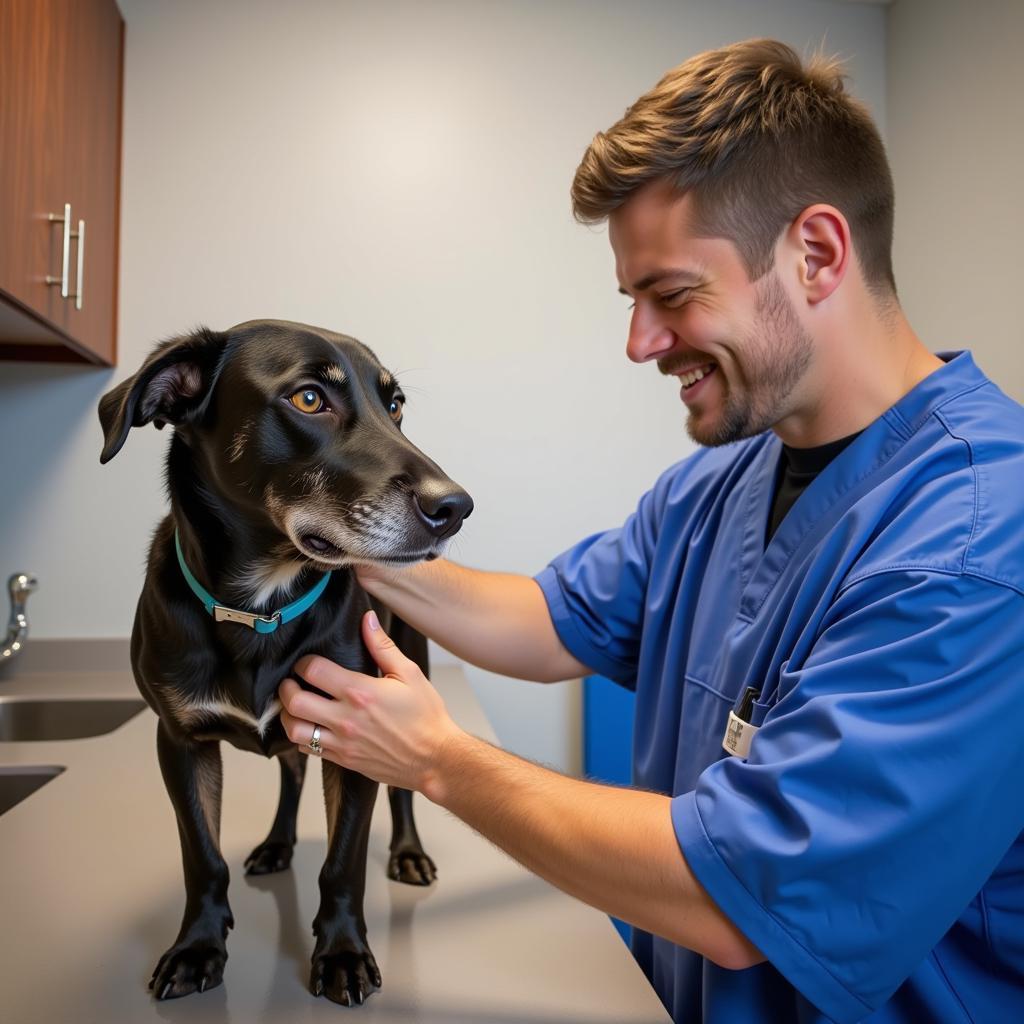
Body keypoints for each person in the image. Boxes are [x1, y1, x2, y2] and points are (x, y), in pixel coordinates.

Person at [278, 38, 1024, 1023]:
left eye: (670, 295)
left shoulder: (974, 546)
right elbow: (548, 619)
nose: (639, 343)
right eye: (633, 300)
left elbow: (740, 896)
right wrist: (337, 536)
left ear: (815, 253)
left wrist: (438, 760)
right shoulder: (719, 482)